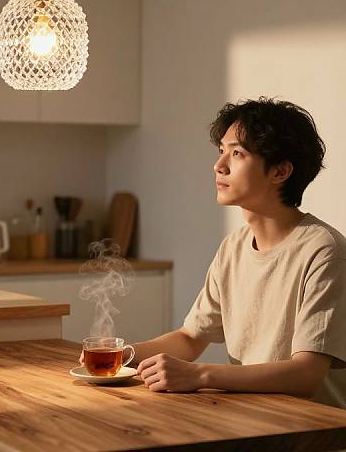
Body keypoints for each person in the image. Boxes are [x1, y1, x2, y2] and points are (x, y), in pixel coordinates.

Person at [133, 97, 346, 408]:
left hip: (310, 433)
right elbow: (191, 338)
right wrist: (118, 355)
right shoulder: (233, 247)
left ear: (280, 172)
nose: (219, 165)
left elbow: (306, 374)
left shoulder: (325, 252)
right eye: (222, 151)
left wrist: (200, 376)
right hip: (250, 419)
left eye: (237, 153)